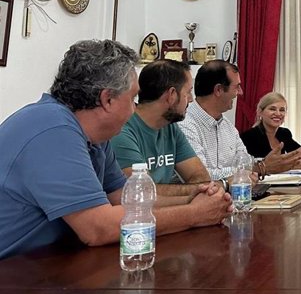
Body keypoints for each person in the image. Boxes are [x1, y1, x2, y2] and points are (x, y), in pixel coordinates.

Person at [0, 40, 232, 259]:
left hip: (45, 264)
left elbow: (125, 199)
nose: (135, 109)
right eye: (133, 99)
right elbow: (98, 228)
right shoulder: (52, 128)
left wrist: (197, 198)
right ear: (107, 99)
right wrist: (194, 214)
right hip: (15, 274)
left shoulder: (96, 137)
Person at [179, 61, 301, 179]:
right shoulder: (185, 125)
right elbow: (202, 177)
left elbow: (245, 161)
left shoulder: (226, 126)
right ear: (219, 90)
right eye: (237, 87)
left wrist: (284, 162)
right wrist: (261, 167)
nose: (241, 92)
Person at [112, 59, 212, 195]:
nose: (191, 99)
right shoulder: (122, 132)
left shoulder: (170, 127)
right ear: (171, 95)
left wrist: (197, 189)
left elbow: (201, 177)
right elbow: (140, 192)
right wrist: (195, 190)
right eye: (188, 92)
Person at [240, 92, 301, 167]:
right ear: (260, 112)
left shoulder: (284, 133)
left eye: (282, 110)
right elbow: (261, 167)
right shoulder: (249, 137)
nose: (278, 114)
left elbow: (298, 154)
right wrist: (296, 165)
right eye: (272, 109)